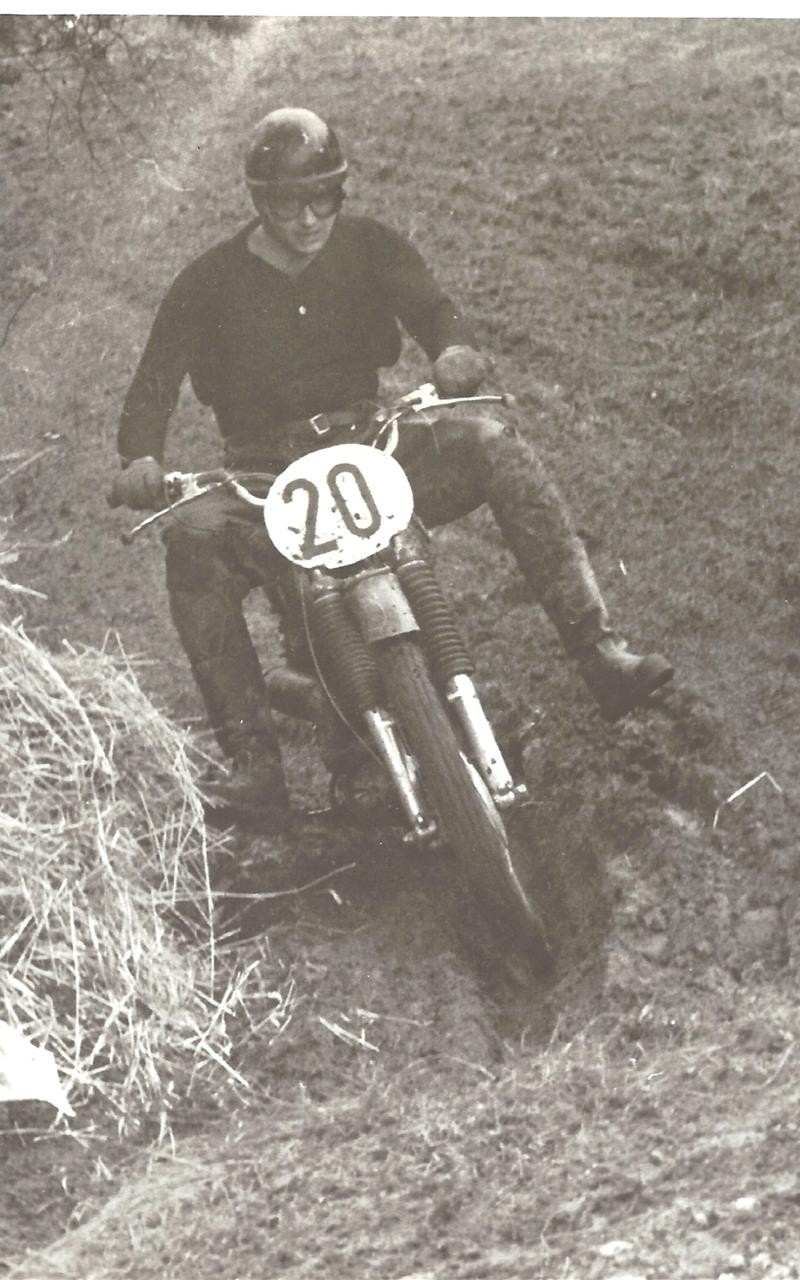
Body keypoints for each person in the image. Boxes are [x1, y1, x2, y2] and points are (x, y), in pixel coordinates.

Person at [111, 107, 673, 832]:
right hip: (260, 476)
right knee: (189, 539)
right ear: (258, 200)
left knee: (490, 442)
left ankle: (600, 654)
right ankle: (256, 766)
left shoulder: (370, 246)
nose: (310, 217)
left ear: (341, 193)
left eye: (325, 198)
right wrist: (142, 458)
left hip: (373, 443)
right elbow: (153, 384)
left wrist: (453, 350)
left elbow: (434, 309)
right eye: (290, 203)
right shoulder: (207, 282)